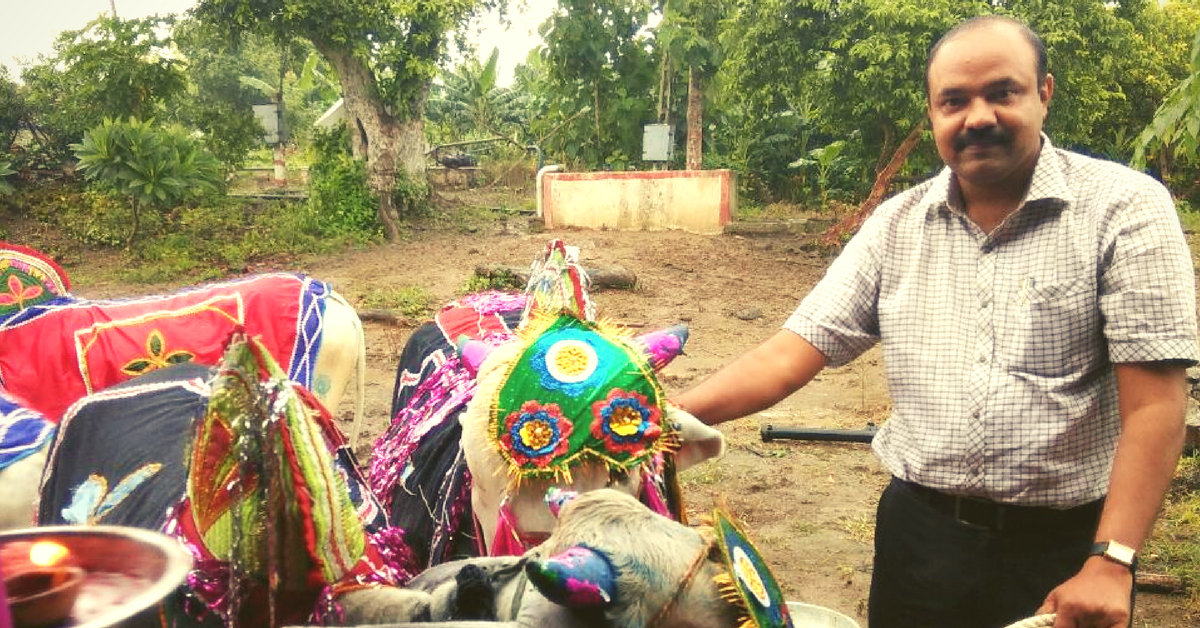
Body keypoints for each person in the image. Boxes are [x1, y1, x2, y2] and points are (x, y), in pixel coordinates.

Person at [673, 15, 1198, 628]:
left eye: (1002, 92)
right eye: (954, 101)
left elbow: (1155, 405)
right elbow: (793, 351)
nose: (977, 117)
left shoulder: (1123, 208)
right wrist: (659, 416)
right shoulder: (897, 224)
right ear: (932, 115)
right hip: (918, 540)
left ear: (1044, 93)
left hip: (1062, 545)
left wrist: (1112, 561)